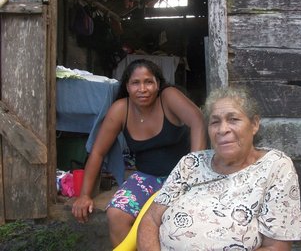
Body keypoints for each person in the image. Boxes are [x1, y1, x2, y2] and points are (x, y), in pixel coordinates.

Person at [137, 86, 301, 250]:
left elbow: (276, 247)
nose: (222, 129)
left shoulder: (275, 166)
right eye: (215, 122)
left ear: (254, 124)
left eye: (233, 119)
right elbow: (151, 219)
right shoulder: (191, 163)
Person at [71, 59, 207, 247]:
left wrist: (194, 175)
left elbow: (198, 120)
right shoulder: (121, 110)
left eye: (148, 82)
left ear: (158, 84)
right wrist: (84, 195)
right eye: (135, 83)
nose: (142, 89)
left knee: (177, 218)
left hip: (182, 175)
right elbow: (97, 152)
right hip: (147, 178)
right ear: (127, 86)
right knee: (116, 213)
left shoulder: (168, 97)